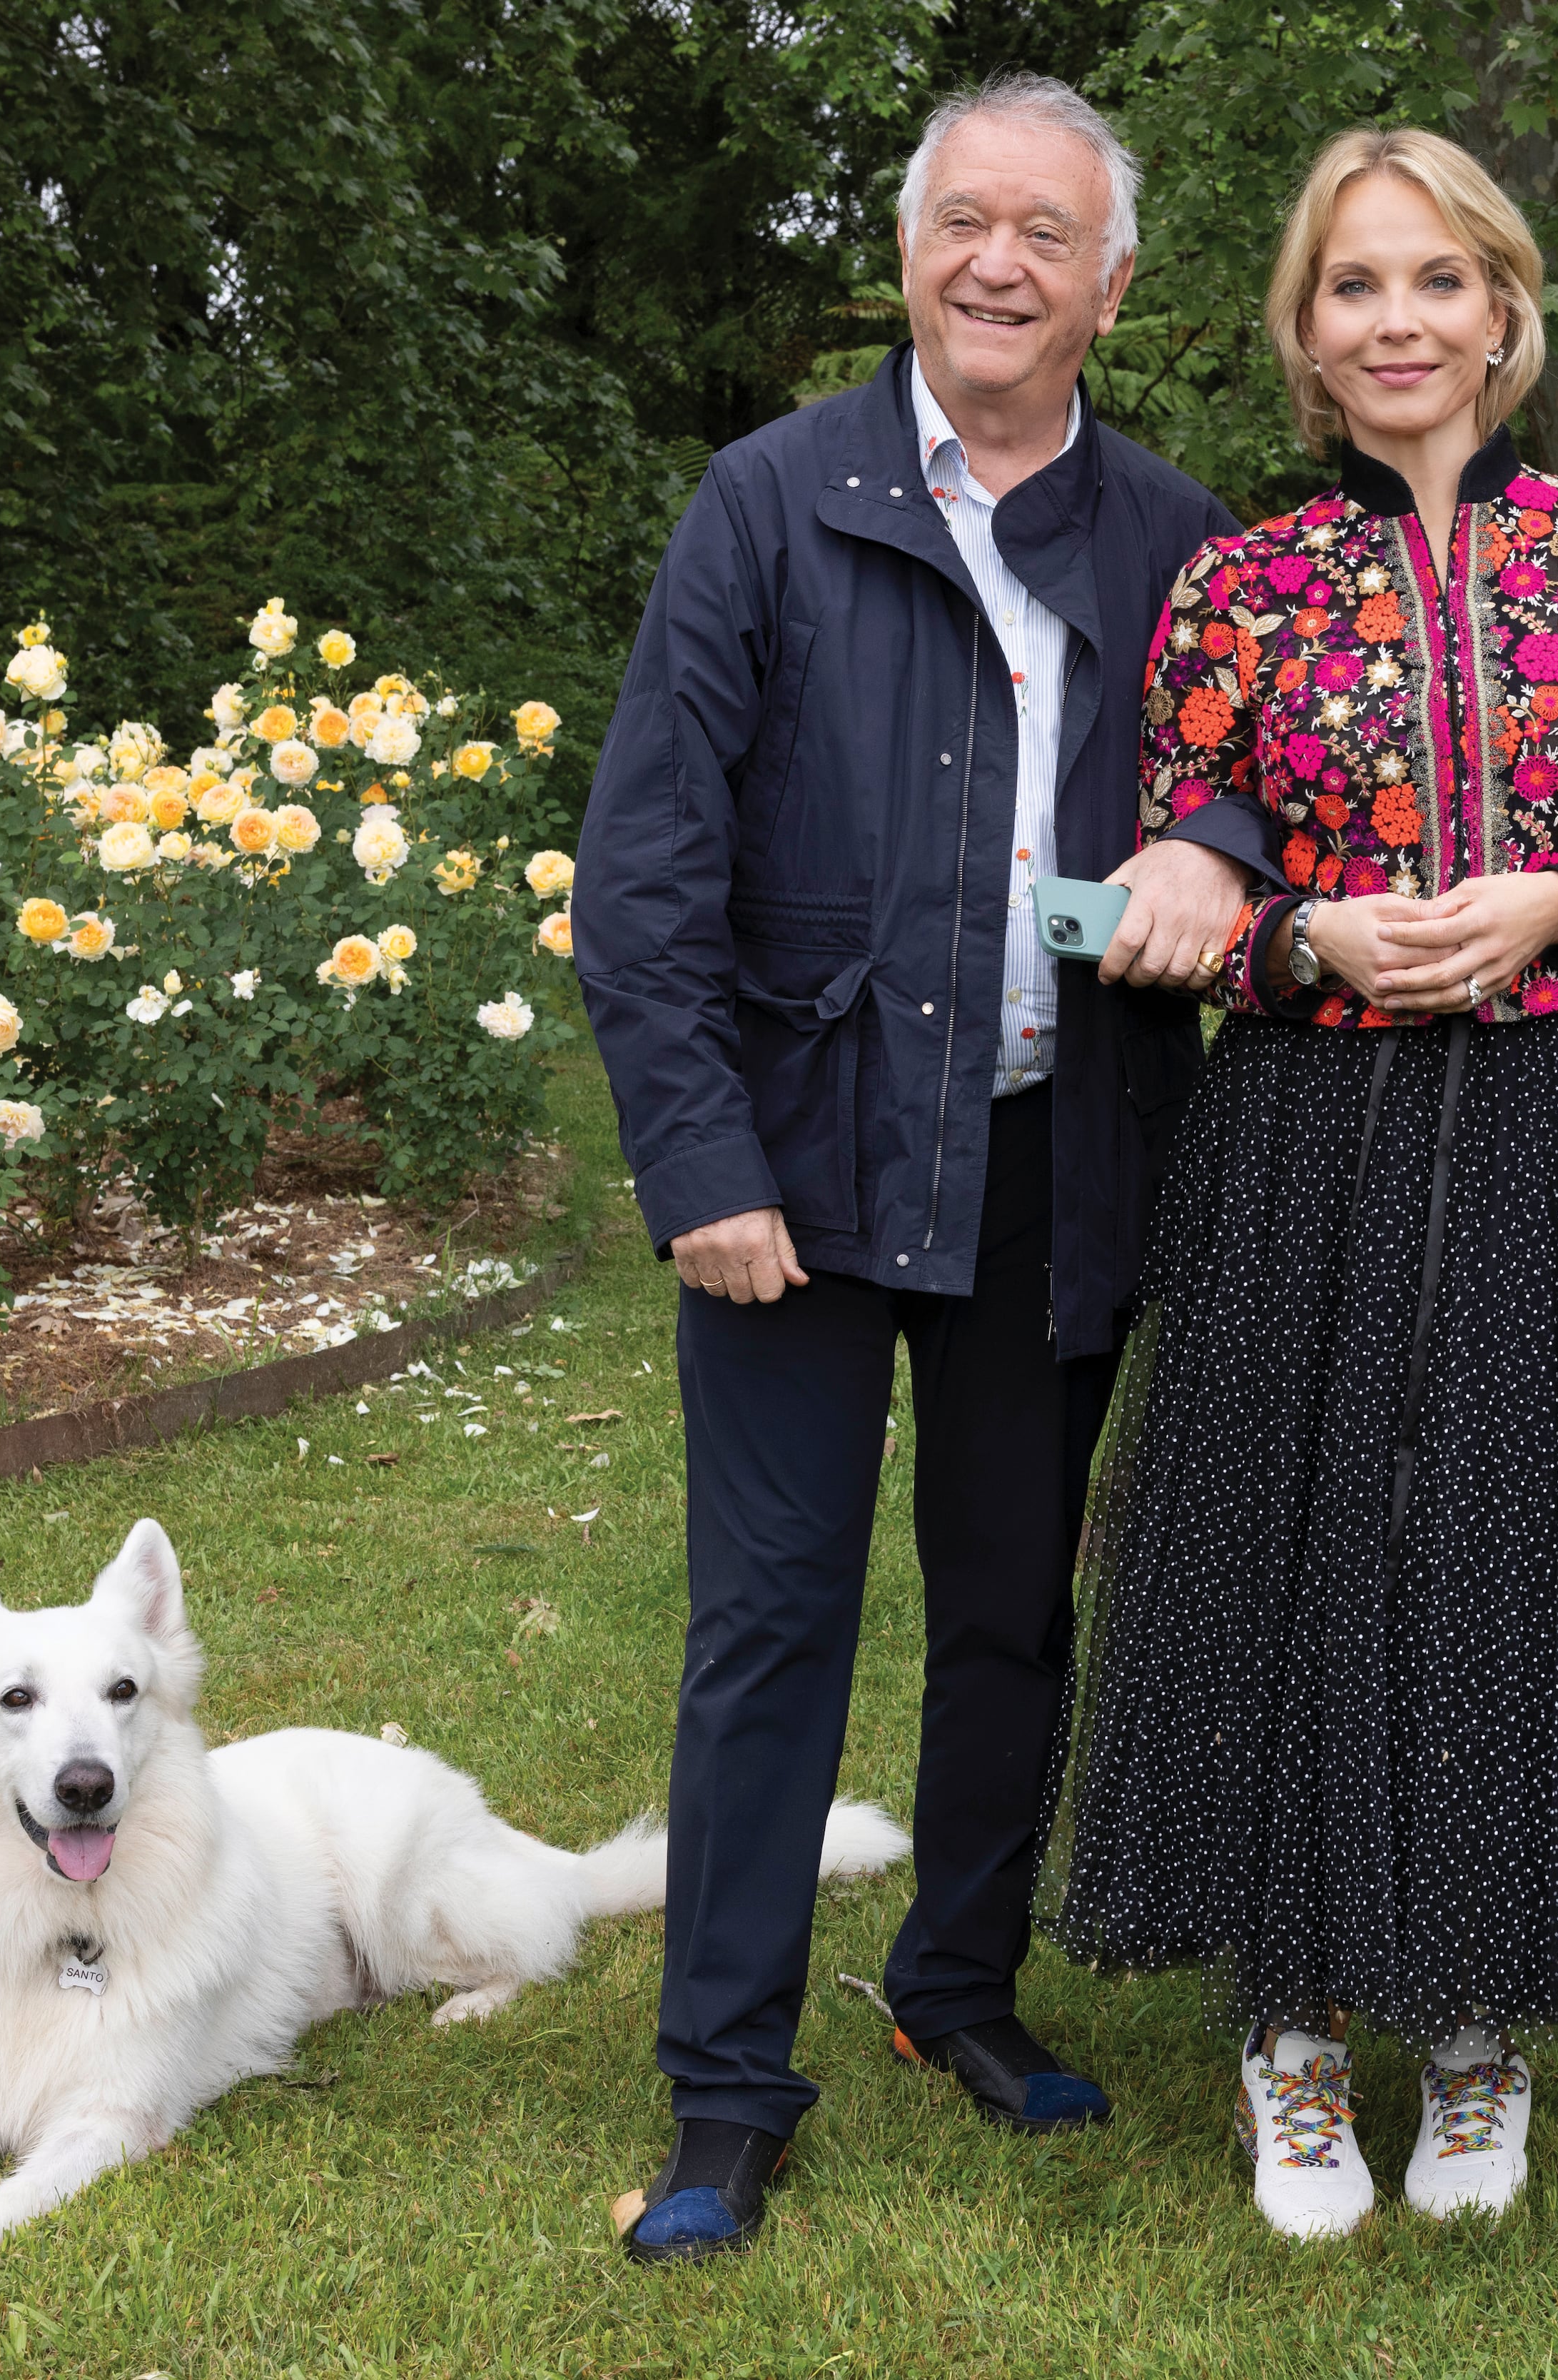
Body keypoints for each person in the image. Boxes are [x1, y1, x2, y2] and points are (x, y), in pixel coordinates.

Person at [1050, 126, 1558, 2240]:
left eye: (1434, 282)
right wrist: (1308, 941)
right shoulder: (1244, 582)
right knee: (1301, 1543)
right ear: (1306, 332)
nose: (1396, 322)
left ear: (1503, 309)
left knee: (1523, 1538)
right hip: (1313, 1134)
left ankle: (1480, 2031)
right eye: (1352, 288)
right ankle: (1290, 2034)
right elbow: (1177, 875)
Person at [572, 74, 1271, 2264]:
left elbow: (1266, 786)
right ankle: (723, 2087)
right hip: (794, 1166)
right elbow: (647, 868)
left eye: (1045, 236)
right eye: (964, 221)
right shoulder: (770, 502)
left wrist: (1214, 843)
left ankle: (955, 1987)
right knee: (769, 1625)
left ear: (1113, 285)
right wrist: (699, 1159)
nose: (998, 264)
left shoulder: (1178, 540)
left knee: (1007, 1615)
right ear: (906, 253)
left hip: (1057, 1159)